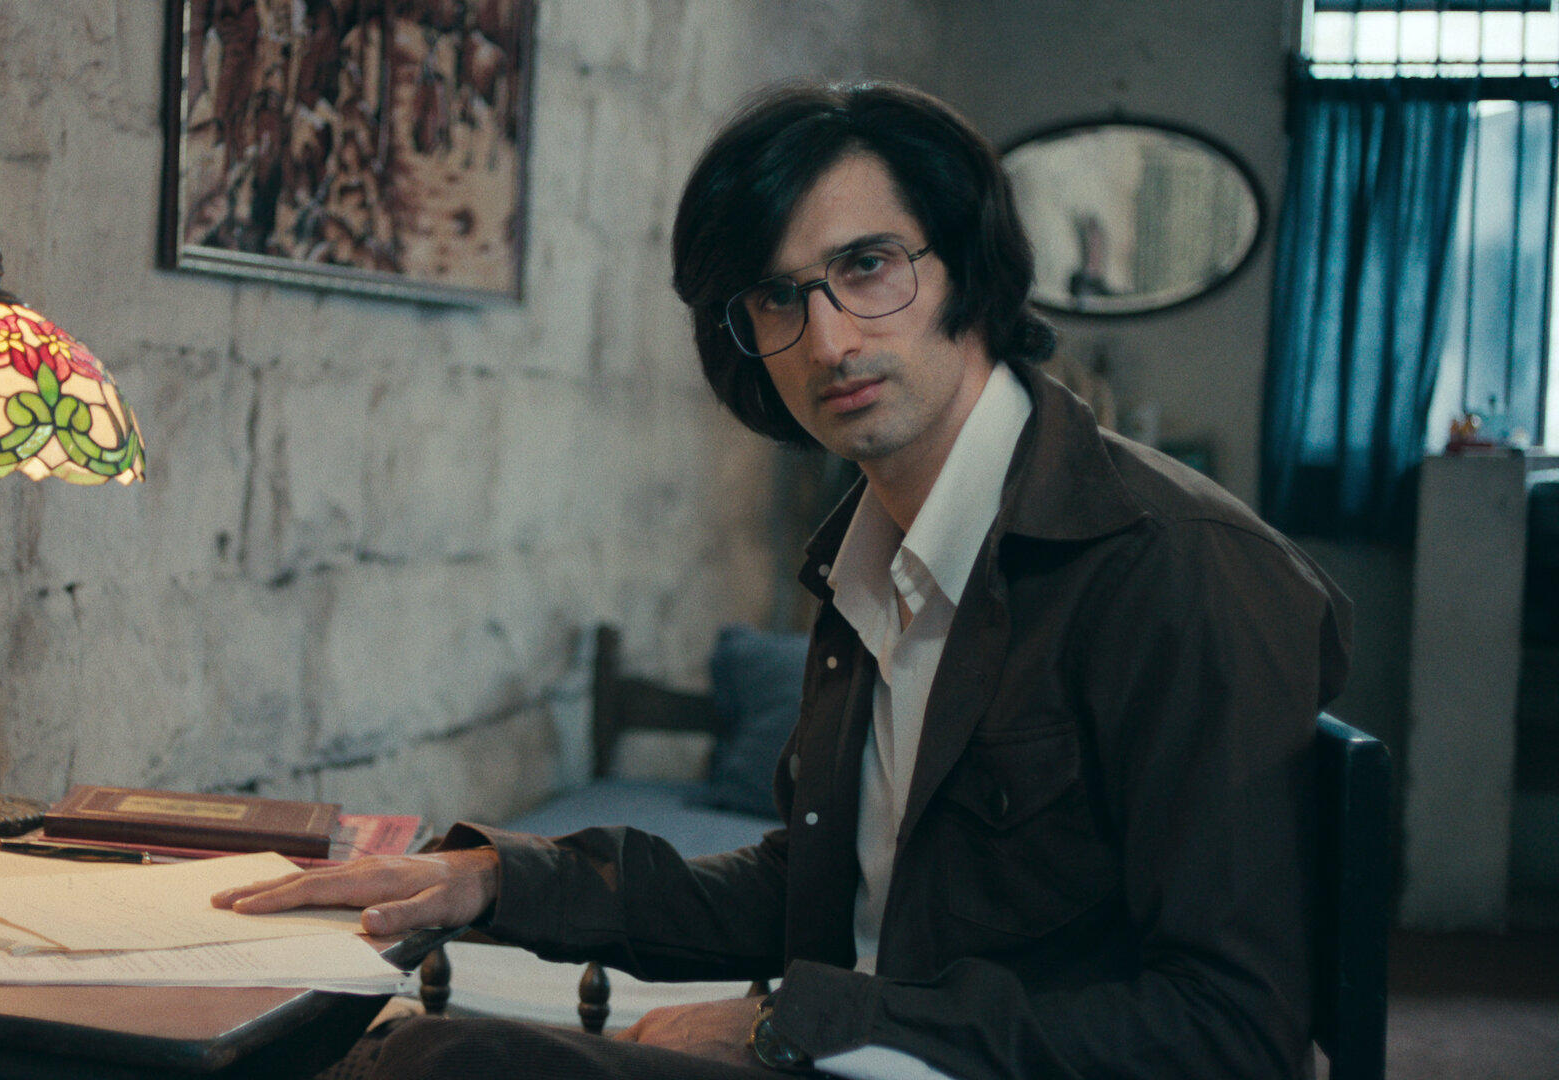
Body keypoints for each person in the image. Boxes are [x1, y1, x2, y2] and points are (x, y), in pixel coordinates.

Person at [213, 80, 1351, 1080]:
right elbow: (818, 889)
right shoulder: (874, 554)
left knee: (436, 1064)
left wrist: (793, 1025)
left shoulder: (1179, 568)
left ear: (966, 264)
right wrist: (498, 881)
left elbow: (1234, 1033)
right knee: (389, 1046)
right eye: (776, 296)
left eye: (868, 267)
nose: (827, 341)